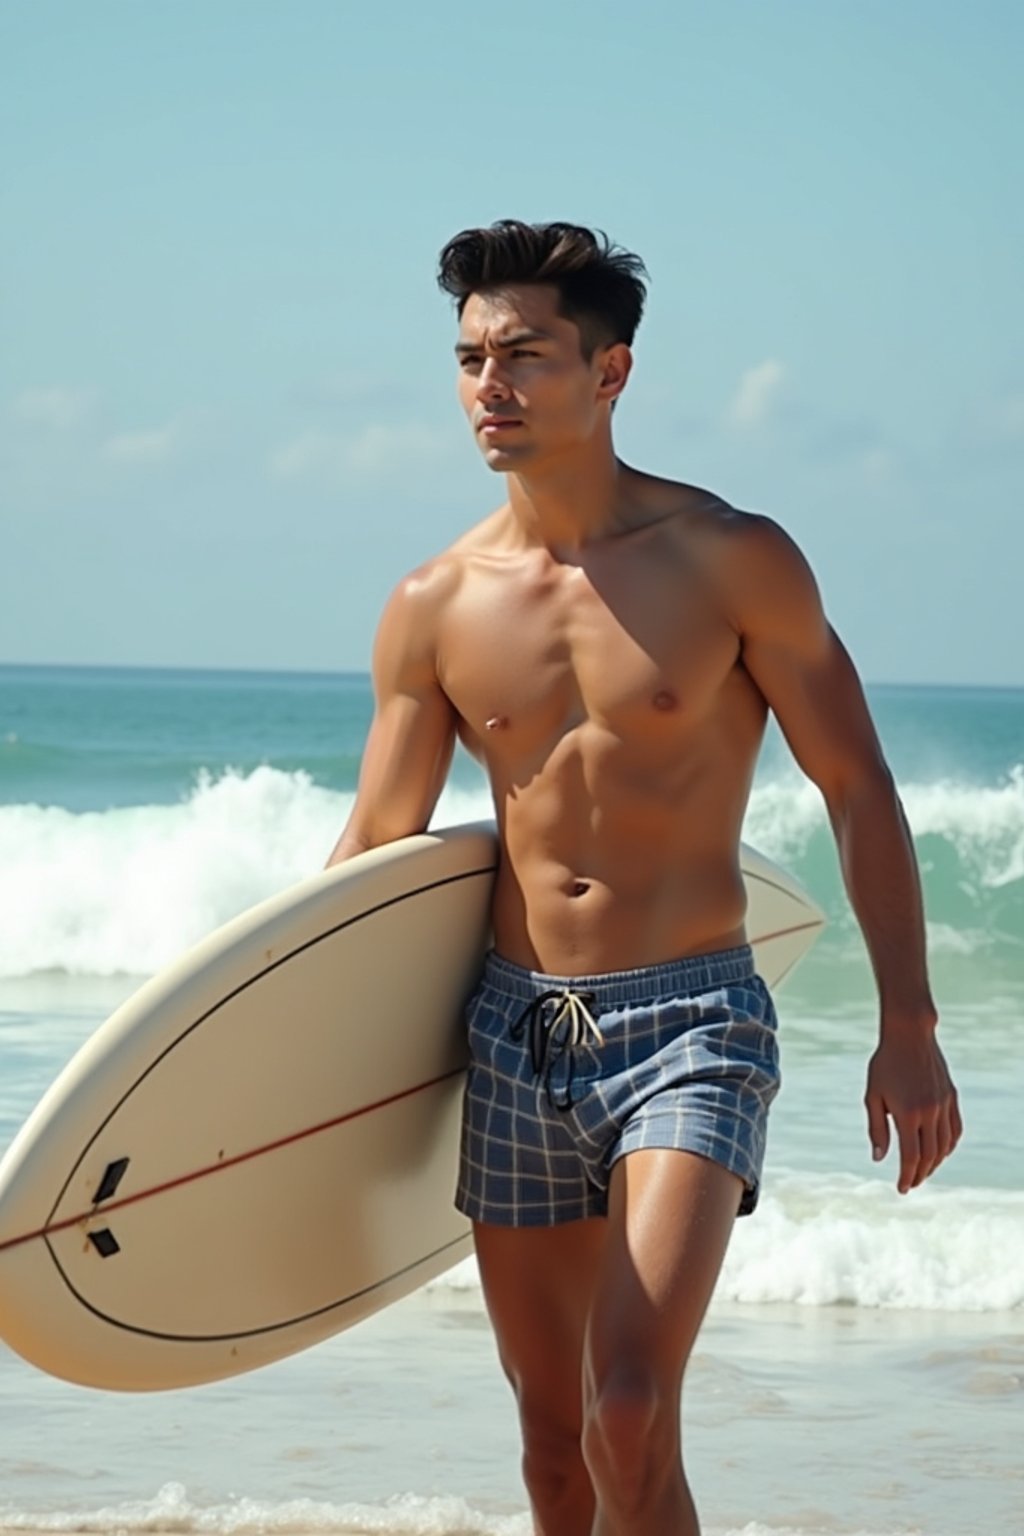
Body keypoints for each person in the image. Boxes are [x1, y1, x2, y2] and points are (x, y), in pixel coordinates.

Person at [327, 220, 961, 1536]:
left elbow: (857, 785)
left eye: (523, 356)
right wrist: (266, 1061)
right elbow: (375, 852)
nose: (487, 386)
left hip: (693, 1024)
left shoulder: (731, 557)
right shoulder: (434, 602)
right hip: (511, 1033)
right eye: (467, 359)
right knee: (558, 1453)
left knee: (627, 1409)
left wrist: (911, 1024)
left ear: (610, 374)